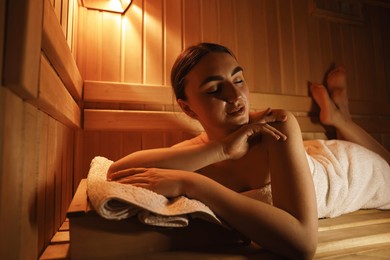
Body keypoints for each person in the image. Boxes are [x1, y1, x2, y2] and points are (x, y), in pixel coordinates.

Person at [106, 43, 390, 259]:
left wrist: (191, 183)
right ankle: (340, 117)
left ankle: (341, 119)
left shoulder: (275, 123)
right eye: (215, 89)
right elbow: (117, 171)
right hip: (314, 154)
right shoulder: (199, 151)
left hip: (350, 172)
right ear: (188, 107)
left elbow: (303, 243)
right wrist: (220, 150)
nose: (234, 95)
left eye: (238, 79)